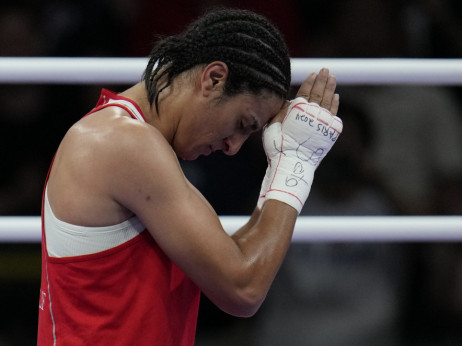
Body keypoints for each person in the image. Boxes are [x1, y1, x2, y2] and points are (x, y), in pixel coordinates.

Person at [37, 8, 342, 346]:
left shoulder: (141, 147)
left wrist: (279, 166)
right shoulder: (122, 143)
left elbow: (235, 258)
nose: (233, 148)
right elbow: (244, 289)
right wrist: (296, 163)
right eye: (242, 124)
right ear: (213, 79)